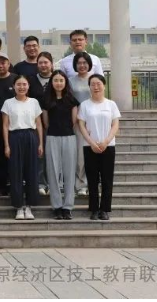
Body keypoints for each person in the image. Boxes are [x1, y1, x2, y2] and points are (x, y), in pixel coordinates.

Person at [78, 74, 120, 221]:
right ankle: (94, 209)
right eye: (93, 84)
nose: (96, 87)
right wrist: (91, 142)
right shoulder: (84, 105)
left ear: (104, 85)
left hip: (108, 146)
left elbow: (115, 125)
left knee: (107, 179)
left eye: (98, 84)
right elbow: (81, 126)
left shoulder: (111, 104)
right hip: (90, 146)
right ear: (89, 87)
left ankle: (105, 209)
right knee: (92, 179)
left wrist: (106, 141)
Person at [1, 75, 44, 220]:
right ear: (14, 86)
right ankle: (19, 207)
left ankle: (29, 206)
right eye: (18, 84)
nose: (21, 87)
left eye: (24, 84)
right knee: (16, 172)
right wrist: (6, 145)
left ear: (28, 86)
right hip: (14, 137)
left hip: (31, 136)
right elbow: (5, 125)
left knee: (31, 172)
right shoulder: (8, 103)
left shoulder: (34, 102)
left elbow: (39, 124)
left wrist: (40, 143)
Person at [42, 70, 79, 220]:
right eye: (56, 80)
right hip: (52, 137)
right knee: (53, 172)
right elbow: (46, 123)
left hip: (69, 137)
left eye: (61, 80)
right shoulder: (46, 101)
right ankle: (57, 206)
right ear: (51, 82)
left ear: (65, 82)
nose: (58, 83)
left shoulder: (72, 100)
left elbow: (74, 122)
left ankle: (68, 206)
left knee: (69, 172)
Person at [0, 52, 17, 197]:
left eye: (3, 62)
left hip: (15, 125)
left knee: (15, 157)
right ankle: (0, 186)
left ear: (8, 63)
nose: (1, 65)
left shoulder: (16, 79)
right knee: (0, 157)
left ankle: (15, 186)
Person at [26, 51, 54, 196]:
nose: (43, 65)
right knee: (40, 153)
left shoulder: (58, 78)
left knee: (53, 154)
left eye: (46, 62)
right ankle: (41, 183)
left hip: (55, 122)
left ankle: (54, 183)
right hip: (36, 122)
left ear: (51, 64)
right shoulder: (31, 80)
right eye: (40, 63)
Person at [69, 52, 94, 198]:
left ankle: (94, 182)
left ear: (89, 64)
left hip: (94, 120)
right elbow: (70, 102)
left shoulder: (95, 79)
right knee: (80, 155)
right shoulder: (70, 81)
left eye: (85, 62)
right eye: (79, 63)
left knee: (95, 152)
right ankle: (81, 184)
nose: (82, 65)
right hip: (79, 121)